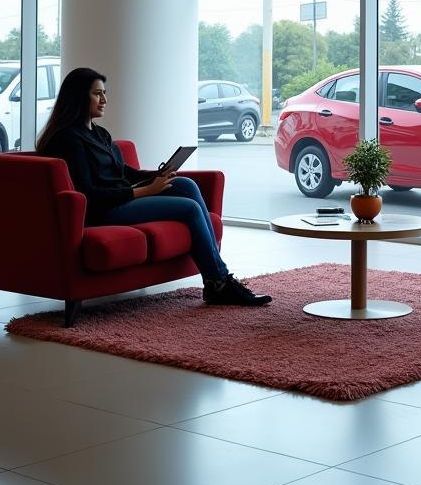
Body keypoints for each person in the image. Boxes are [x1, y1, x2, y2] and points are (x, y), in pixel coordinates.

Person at [36, 67, 271, 307]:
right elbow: (89, 194)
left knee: (186, 185)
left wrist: (157, 175)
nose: (105, 100)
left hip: (122, 199)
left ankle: (215, 282)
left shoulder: (99, 133)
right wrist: (145, 191)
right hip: (102, 211)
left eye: (105, 93)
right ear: (78, 96)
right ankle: (219, 281)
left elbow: (123, 172)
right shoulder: (67, 140)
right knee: (188, 209)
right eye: (98, 94)